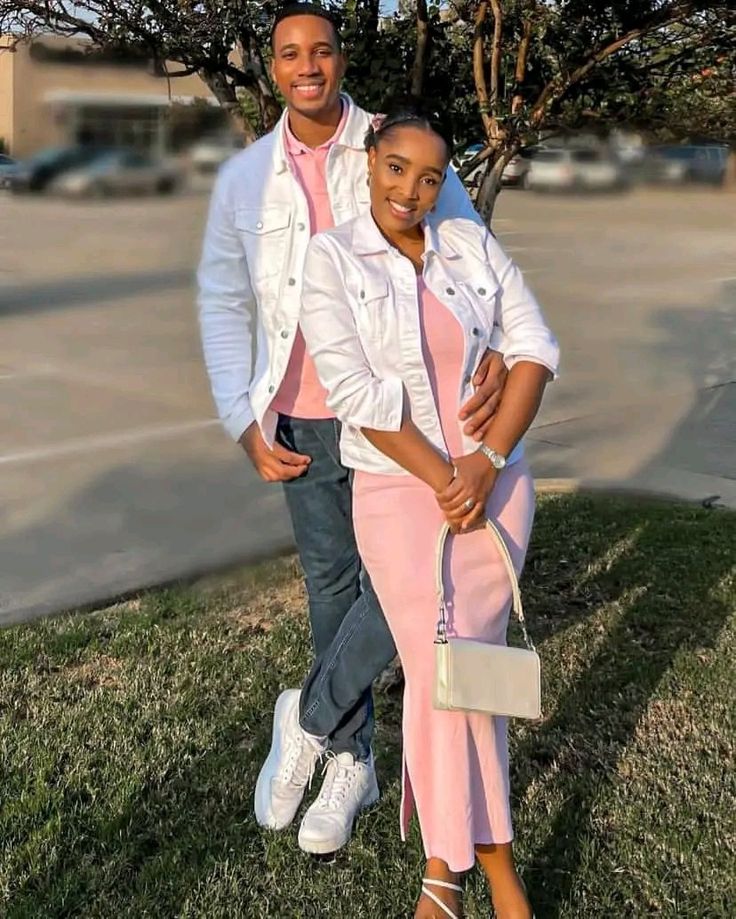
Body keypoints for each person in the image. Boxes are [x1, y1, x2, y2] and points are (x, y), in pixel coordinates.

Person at [197, 4, 508, 856]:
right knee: (333, 589)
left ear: (341, 59)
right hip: (297, 415)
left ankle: (308, 712)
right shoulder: (246, 177)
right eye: (290, 54)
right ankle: (353, 760)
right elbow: (224, 304)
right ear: (272, 68)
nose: (308, 66)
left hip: (398, 418)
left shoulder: (393, 144)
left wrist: (494, 353)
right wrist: (243, 418)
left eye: (322, 50)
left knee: (403, 585)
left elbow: (470, 256)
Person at [299, 102, 559, 918]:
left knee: (462, 672)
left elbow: (535, 347)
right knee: (445, 672)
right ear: (369, 163)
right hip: (401, 493)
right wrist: (449, 477)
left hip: (498, 488)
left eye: (431, 177)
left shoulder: (468, 246)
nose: (411, 190)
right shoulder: (333, 259)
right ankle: (496, 871)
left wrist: (484, 462)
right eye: (396, 168)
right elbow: (358, 395)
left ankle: (445, 873)